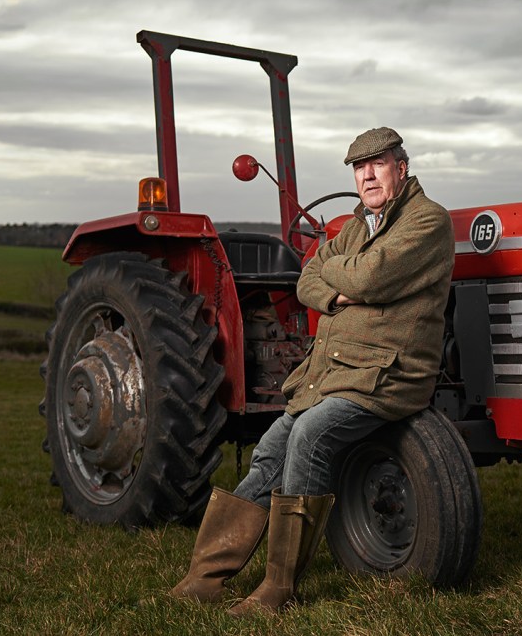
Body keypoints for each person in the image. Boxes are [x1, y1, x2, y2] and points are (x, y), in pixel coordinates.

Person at [170, 127, 455, 614]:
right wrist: (341, 287)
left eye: (378, 164)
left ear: (401, 169)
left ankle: (279, 588)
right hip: (333, 373)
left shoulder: (427, 221)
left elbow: (372, 276)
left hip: (388, 374)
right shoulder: (357, 227)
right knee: (270, 450)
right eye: (358, 168)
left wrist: (344, 276)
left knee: (310, 437)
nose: (367, 175)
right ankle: (206, 576)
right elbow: (307, 278)